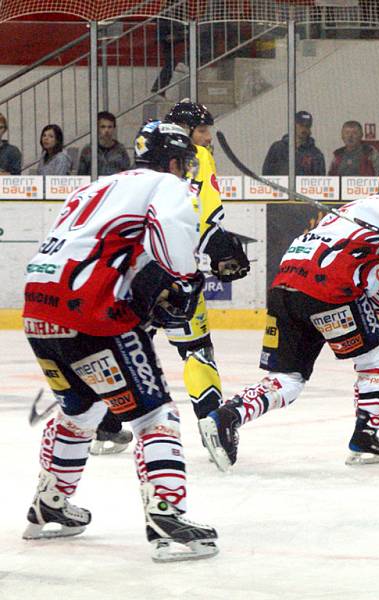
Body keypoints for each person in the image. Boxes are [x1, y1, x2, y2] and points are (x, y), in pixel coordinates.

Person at [21, 120, 218, 561]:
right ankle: (167, 521)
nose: (185, 170)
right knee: (154, 415)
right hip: (92, 310)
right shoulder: (166, 185)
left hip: (38, 308)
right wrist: (185, 281)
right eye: (184, 162)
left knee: (82, 410)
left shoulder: (94, 188)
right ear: (172, 161)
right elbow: (172, 234)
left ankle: (49, 506)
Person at [198, 165, 379, 471]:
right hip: (329, 287)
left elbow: (373, 290)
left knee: (288, 379)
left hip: (286, 285)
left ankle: (226, 417)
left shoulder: (347, 215)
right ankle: (365, 438)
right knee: (373, 356)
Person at [91, 100, 251, 454]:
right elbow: (202, 215)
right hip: (173, 268)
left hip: (130, 275)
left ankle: (103, 425)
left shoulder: (131, 172)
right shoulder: (196, 159)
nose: (208, 138)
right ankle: (213, 425)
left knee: (124, 346)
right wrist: (220, 247)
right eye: (203, 130)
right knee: (195, 349)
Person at [262, 110, 325, 175]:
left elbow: (320, 178)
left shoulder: (315, 153)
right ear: (293, 125)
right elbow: (266, 174)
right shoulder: (277, 148)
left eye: (307, 126)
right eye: (301, 125)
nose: (304, 129)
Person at [77, 111, 131, 177]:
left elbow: (127, 173)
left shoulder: (121, 150)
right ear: (97, 128)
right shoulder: (88, 150)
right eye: (103, 127)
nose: (106, 130)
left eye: (109, 127)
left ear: (114, 128)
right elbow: (81, 176)